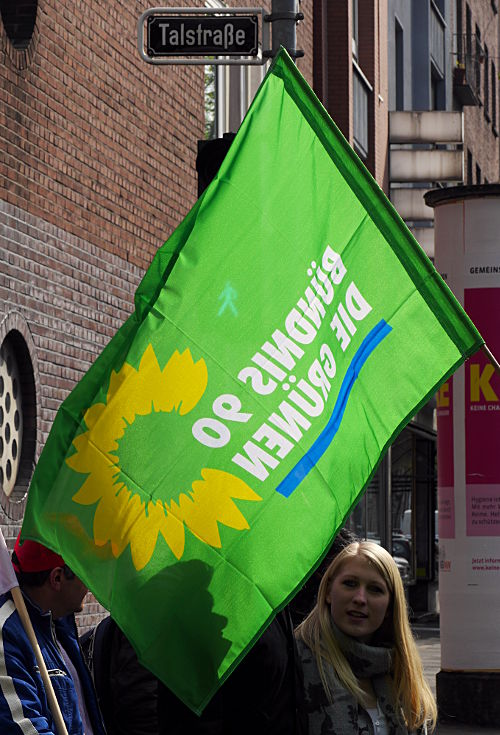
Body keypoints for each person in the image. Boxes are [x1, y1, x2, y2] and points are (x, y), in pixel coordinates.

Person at [296, 541, 437, 734]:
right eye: (350, 584)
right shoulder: (296, 662)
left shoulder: (401, 673)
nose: (360, 598)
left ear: (390, 606)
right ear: (328, 591)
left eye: (375, 589)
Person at [0, 533, 106, 735]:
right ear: (57, 578)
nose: (90, 583)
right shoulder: (6, 633)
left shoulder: (61, 623)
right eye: (85, 571)